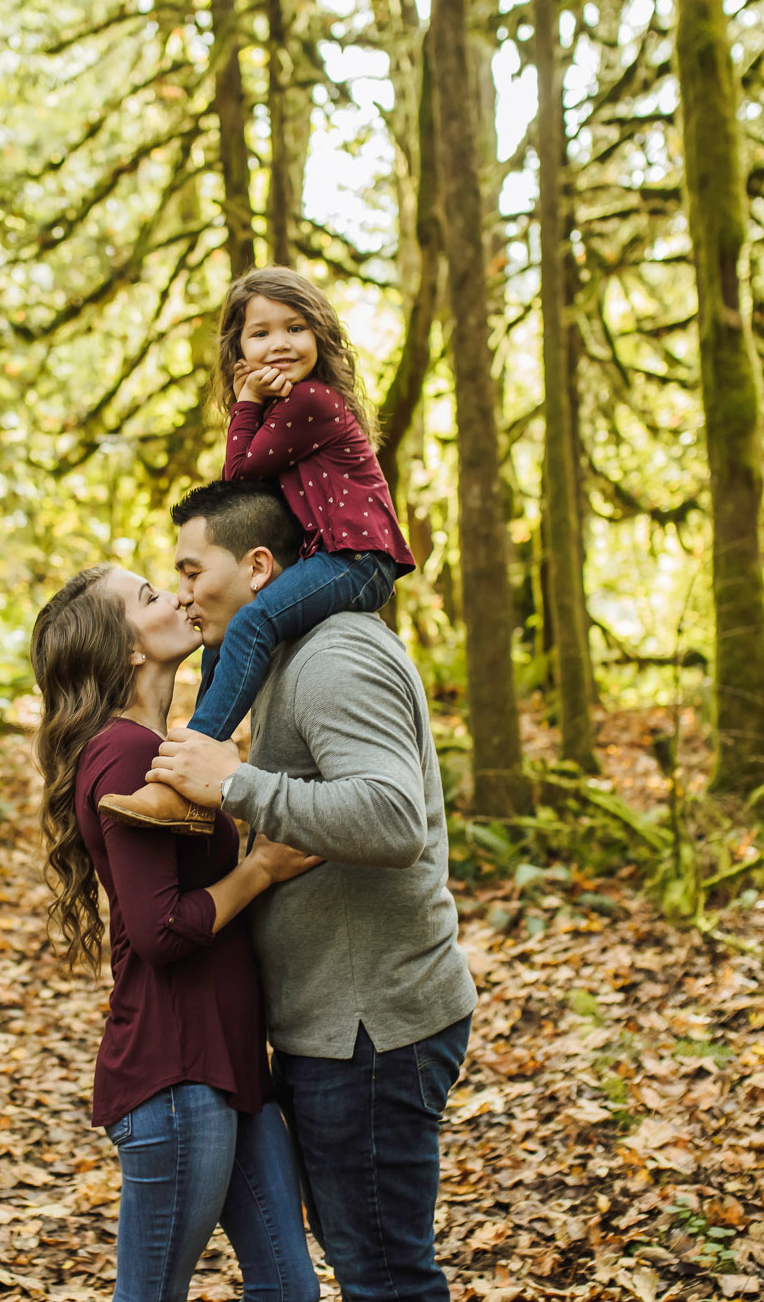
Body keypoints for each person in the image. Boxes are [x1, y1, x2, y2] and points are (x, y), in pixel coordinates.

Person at [144, 479, 478, 1302]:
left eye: (193, 572)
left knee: (387, 1278)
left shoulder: (333, 655)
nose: (183, 595)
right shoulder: (286, 651)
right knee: (367, 1261)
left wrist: (237, 786)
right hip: (335, 1026)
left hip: (369, 1031)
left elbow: (395, 818)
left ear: (259, 567)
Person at [29, 563, 324, 1302]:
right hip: (176, 1074)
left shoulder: (161, 747)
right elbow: (160, 930)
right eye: (152, 596)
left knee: (290, 1289)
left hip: (229, 1064)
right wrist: (260, 869)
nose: (178, 596)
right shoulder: (123, 753)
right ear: (128, 648)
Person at [101, 267, 416, 832]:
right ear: (239, 347)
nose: (279, 344)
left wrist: (245, 399)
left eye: (294, 328)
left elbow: (238, 483)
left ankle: (188, 771)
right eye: (260, 333)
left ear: (318, 335)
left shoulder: (312, 400)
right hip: (331, 556)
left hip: (358, 558)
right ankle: (188, 781)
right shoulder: (288, 410)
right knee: (220, 637)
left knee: (251, 622)